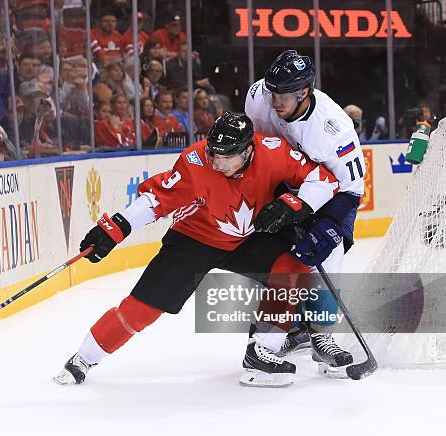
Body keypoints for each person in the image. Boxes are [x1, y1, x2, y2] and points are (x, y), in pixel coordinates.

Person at [54, 112, 339, 387]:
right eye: (214, 153)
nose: (217, 162)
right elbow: (157, 199)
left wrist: (295, 204)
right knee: (143, 308)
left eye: (227, 156)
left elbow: (324, 179)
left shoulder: (274, 153)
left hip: (249, 238)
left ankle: (262, 351)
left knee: (295, 262)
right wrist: (114, 229)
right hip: (195, 239)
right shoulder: (196, 161)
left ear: (248, 151)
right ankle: (84, 358)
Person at [245, 50, 363, 375]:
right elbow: (258, 149)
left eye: (283, 95)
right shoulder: (259, 96)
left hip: (330, 194)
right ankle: (290, 329)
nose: (274, 101)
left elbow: (352, 189)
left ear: (304, 92)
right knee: (273, 260)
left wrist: (325, 226)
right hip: (285, 187)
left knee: (327, 255)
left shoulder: (332, 129)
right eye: (272, 91)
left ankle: (322, 336)